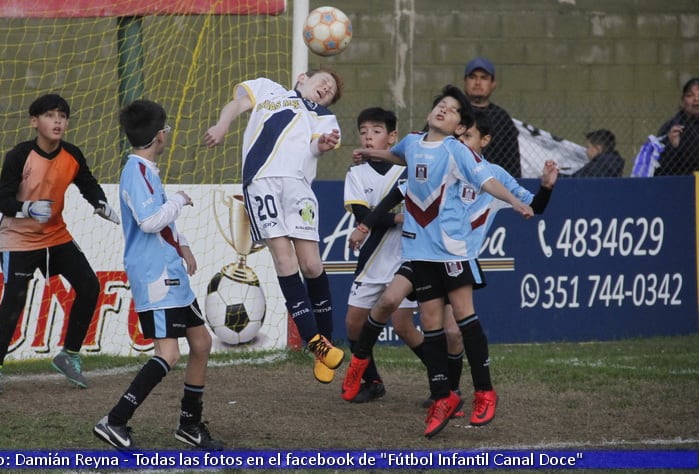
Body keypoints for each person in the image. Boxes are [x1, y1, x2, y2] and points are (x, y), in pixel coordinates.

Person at [342, 85, 534, 439]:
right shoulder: (414, 143)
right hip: (418, 252)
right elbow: (398, 157)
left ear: (461, 127)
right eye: (440, 105)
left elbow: (488, 181)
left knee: (463, 320)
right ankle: (442, 397)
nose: (443, 109)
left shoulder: (457, 151)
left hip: (451, 250)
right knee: (430, 324)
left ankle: (484, 391)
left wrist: (517, 202)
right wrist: (371, 153)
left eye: (452, 109)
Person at [93, 99, 222, 451]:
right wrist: (179, 199)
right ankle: (115, 420)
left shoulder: (147, 171)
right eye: (165, 128)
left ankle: (189, 425)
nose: (168, 133)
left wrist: (184, 246)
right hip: (155, 275)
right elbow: (150, 221)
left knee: (201, 343)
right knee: (168, 353)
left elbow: (162, 223)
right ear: (158, 136)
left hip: (170, 270)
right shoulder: (134, 172)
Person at [204, 69, 345, 384]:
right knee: (285, 260)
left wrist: (323, 144)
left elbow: (316, 146)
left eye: (332, 89)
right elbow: (237, 105)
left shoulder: (323, 116)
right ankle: (316, 344)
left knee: (311, 264)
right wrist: (222, 124)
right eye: (324, 80)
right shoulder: (269, 90)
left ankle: (327, 340)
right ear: (303, 76)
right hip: (262, 182)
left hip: (298, 186)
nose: (326, 88)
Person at [0, 93, 121, 395]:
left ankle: (69, 355)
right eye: (49, 115)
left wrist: (100, 203)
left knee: (89, 286)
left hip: (56, 236)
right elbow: (3, 200)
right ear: (35, 122)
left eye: (62, 116)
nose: (57, 121)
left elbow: (87, 181)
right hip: (18, 239)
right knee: (15, 299)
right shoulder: (19, 155)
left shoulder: (72, 154)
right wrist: (27, 208)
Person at [342, 107, 417, 400]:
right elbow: (364, 216)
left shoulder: (409, 168)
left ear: (392, 137)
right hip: (372, 259)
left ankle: (444, 385)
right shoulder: (356, 174)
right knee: (353, 322)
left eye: (376, 131)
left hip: (405, 257)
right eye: (363, 132)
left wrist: (380, 217)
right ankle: (373, 381)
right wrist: (398, 217)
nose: (368, 137)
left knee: (403, 326)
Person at [463, 57, 521, 178]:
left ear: (493, 83)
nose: (478, 82)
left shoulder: (502, 118)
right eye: (472, 77)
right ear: (465, 81)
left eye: (484, 78)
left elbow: (513, 164)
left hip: (493, 185)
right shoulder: (454, 113)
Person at [655, 77, 699, 176]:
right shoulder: (671, 127)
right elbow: (659, 168)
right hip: (680, 182)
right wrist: (672, 146)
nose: (696, 99)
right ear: (683, 101)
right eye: (690, 95)